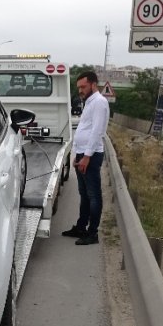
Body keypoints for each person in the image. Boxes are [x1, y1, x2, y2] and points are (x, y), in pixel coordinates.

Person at [62, 71, 109, 245]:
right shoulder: (88, 102)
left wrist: (87, 156)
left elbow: (97, 131)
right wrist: (76, 154)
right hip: (83, 153)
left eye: (83, 86)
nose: (80, 90)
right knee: (84, 194)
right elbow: (83, 128)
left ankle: (92, 233)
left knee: (93, 195)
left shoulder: (99, 103)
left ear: (93, 85)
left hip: (91, 155)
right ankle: (81, 227)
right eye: (79, 87)